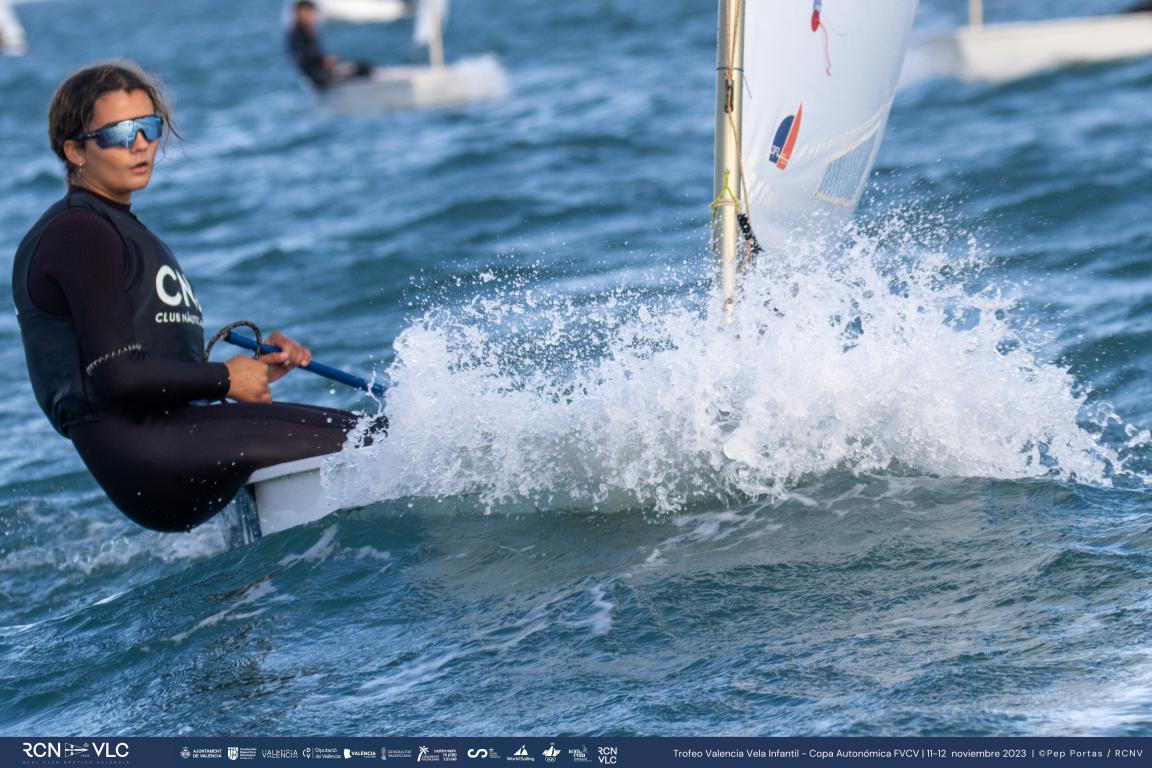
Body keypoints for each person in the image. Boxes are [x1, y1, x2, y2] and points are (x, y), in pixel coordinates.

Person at [12, 61, 380, 532]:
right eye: (120, 133)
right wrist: (227, 379)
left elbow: (156, 366)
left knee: (366, 433)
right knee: (377, 441)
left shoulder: (113, 229)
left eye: (149, 127)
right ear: (75, 151)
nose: (141, 144)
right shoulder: (80, 232)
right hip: (146, 453)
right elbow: (117, 374)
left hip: (174, 438)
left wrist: (257, 372)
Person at [286, 0, 373, 89]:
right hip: (319, 75)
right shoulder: (299, 32)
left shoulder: (302, 30)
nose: (312, 16)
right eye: (310, 12)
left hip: (317, 72)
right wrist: (323, 61)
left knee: (359, 66)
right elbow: (304, 57)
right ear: (300, 13)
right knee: (363, 68)